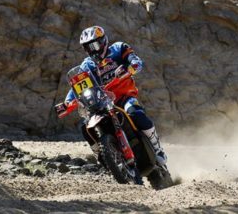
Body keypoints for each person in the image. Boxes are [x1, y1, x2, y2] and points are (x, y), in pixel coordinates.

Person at [58, 25, 167, 165]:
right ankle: (102, 156)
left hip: (125, 97)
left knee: (135, 113)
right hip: (101, 103)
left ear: (103, 41)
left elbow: (136, 61)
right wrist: (67, 103)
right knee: (85, 128)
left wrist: (131, 68)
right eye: (87, 48)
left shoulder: (119, 48)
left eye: (94, 45)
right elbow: (77, 88)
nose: (92, 50)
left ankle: (158, 150)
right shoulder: (86, 66)